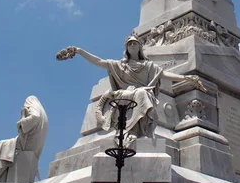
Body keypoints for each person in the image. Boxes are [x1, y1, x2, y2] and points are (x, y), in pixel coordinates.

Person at [57, 35, 206, 145]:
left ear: (140, 47)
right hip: (124, 94)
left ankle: (137, 132)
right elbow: (99, 62)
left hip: (141, 93)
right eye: (130, 44)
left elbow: (165, 74)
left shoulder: (148, 66)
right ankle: (131, 132)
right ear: (127, 48)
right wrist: (79, 51)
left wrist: (187, 78)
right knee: (140, 93)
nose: (133, 45)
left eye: (135, 43)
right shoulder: (120, 65)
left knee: (142, 93)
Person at [0, 96, 48, 182]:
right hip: (31, 145)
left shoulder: (31, 105)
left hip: (24, 144)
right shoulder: (44, 117)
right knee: (2, 146)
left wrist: (22, 120)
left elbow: (35, 116)